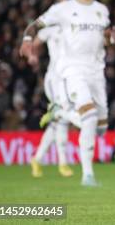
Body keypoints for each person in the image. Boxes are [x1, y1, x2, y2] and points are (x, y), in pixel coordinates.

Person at [19, 0, 115, 186]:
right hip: (71, 72)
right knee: (89, 116)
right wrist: (28, 42)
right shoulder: (62, 10)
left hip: (96, 73)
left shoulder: (101, 10)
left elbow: (106, 39)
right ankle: (87, 175)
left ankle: (62, 112)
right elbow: (34, 26)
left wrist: (113, 40)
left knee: (101, 129)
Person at [28, 25, 73, 178]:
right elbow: (34, 43)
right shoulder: (50, 30)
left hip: (67, 79)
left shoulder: (74, 28)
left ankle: (37, 159)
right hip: (55, 80)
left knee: (56, 122)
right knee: (62, 117)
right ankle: (62, 163)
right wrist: (32, 56)